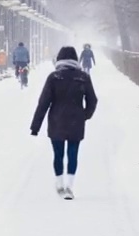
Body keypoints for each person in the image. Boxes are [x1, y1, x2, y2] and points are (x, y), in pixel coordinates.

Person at [31, 46, 98, 199]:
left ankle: (60, 184)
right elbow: (93, 100)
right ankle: (70, 186)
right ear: (75, 60)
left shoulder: (54, 77)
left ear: (59, 59)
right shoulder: (83, 77)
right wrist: (84, 115)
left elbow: (43, 103)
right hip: (76, 122)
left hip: (57, 122)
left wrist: (35, 127)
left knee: (58, 154)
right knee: (73, 154)